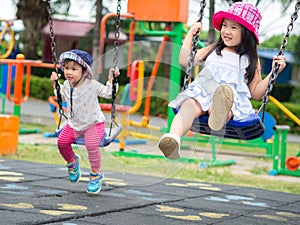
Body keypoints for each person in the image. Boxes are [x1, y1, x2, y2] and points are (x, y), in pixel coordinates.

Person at [158, 2, 286, 160]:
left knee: (223, 104)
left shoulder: (251, 60)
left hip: (228, 98)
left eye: (233, 27)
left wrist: (274, 72)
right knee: (189, 105)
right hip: (203, 92)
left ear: (246, 33)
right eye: (225, 25)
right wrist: (190, 34)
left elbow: (257, 93)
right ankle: (173, 139)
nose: (226, 31)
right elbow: (185, 60)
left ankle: (218, 115)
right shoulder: (214, 49)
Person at [50, 49, 120, 194]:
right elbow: (60, 96)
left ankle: (96, 174)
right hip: (74, 124)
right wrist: (54, 83)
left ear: (84, 71)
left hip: (93, 123)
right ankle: (72, 162)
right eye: (67, 68)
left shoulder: (92, 85)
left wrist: (112, 79)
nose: (69, 72)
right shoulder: (67, 86)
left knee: (91, 145)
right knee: (62, 142)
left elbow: (108, 93)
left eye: (74, 69)